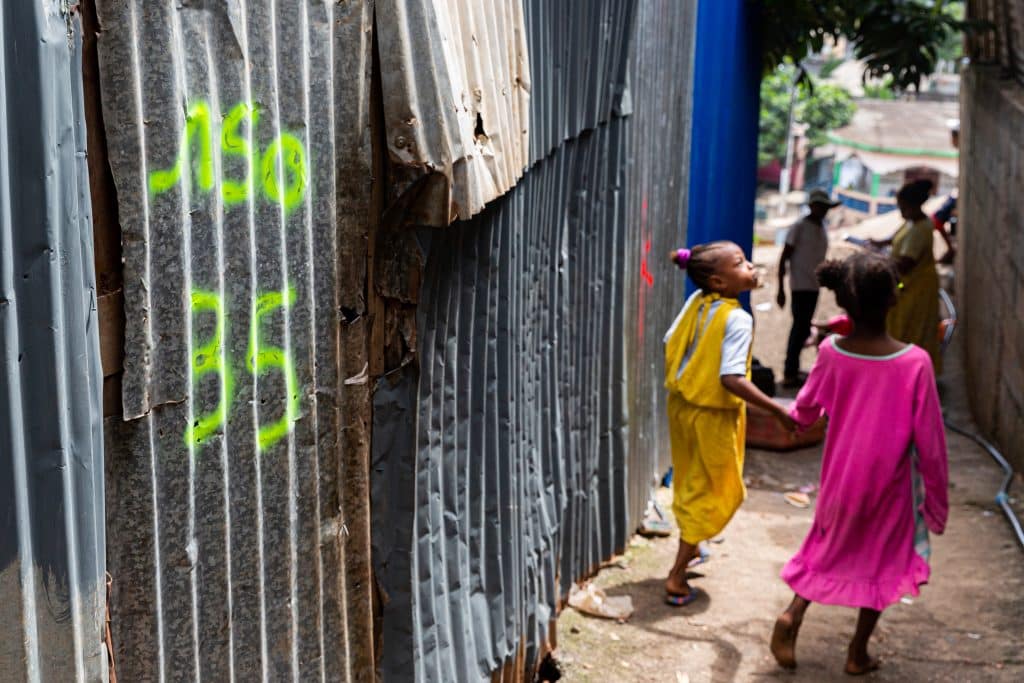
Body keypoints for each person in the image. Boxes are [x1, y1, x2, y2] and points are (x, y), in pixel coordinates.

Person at [769, 253, 948, 675]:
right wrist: (936, 505)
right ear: (893, 300)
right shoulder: (915, 362)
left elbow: (805, 412)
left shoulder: (832, 353)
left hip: (839, 481)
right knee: (882, 564)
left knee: (824, 548)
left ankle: (793, 615)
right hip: (890, 488)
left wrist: (786, 417)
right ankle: (857, 652)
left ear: (845, 304)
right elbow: (932, 445)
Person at [663, 242, 796, 606]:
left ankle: (694, 546)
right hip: (713, 414)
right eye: (740, 263)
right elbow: (732, 378)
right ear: (720, 282)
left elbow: (670, 341)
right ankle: (676, 574)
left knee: (693, 479)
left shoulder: (697, 303)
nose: (750, 266)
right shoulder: (737, 318)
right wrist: (777, 410)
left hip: (682, 406)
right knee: (718, 488)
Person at [870, 179, 942, 373]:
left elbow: (905, 264)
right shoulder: (912, 222)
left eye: (902, 207)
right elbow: (895, 238)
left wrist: (878, 262)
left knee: (910, 330)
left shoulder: (921, 229)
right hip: (908, 286)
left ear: (913, 205)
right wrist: (878, 244)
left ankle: (908, 372)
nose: (900, 210)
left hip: (915, 288)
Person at [776, 189, 840, 388]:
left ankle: (794, 370)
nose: (823, 211)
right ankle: (789, 372)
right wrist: (780, 289)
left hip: (814, 286)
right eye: (820, 206)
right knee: (799, 328)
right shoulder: (799, 227)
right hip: (800, 285)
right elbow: (783, 258)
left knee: (804, 329)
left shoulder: (821, 228)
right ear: (812, 206)